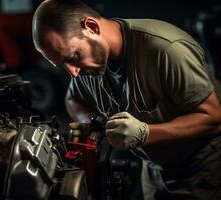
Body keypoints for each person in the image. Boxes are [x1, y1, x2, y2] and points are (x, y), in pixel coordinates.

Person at [32, 0, 221, 199]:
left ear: (92, 27)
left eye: (73, 57)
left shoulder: (166, 51)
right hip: (152, 172)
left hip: (204, 170)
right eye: (62, 65)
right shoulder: (88, 66)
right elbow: (73, 99)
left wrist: (145, 133)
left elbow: (214, 118)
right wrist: (95, 124)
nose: (73, 73)